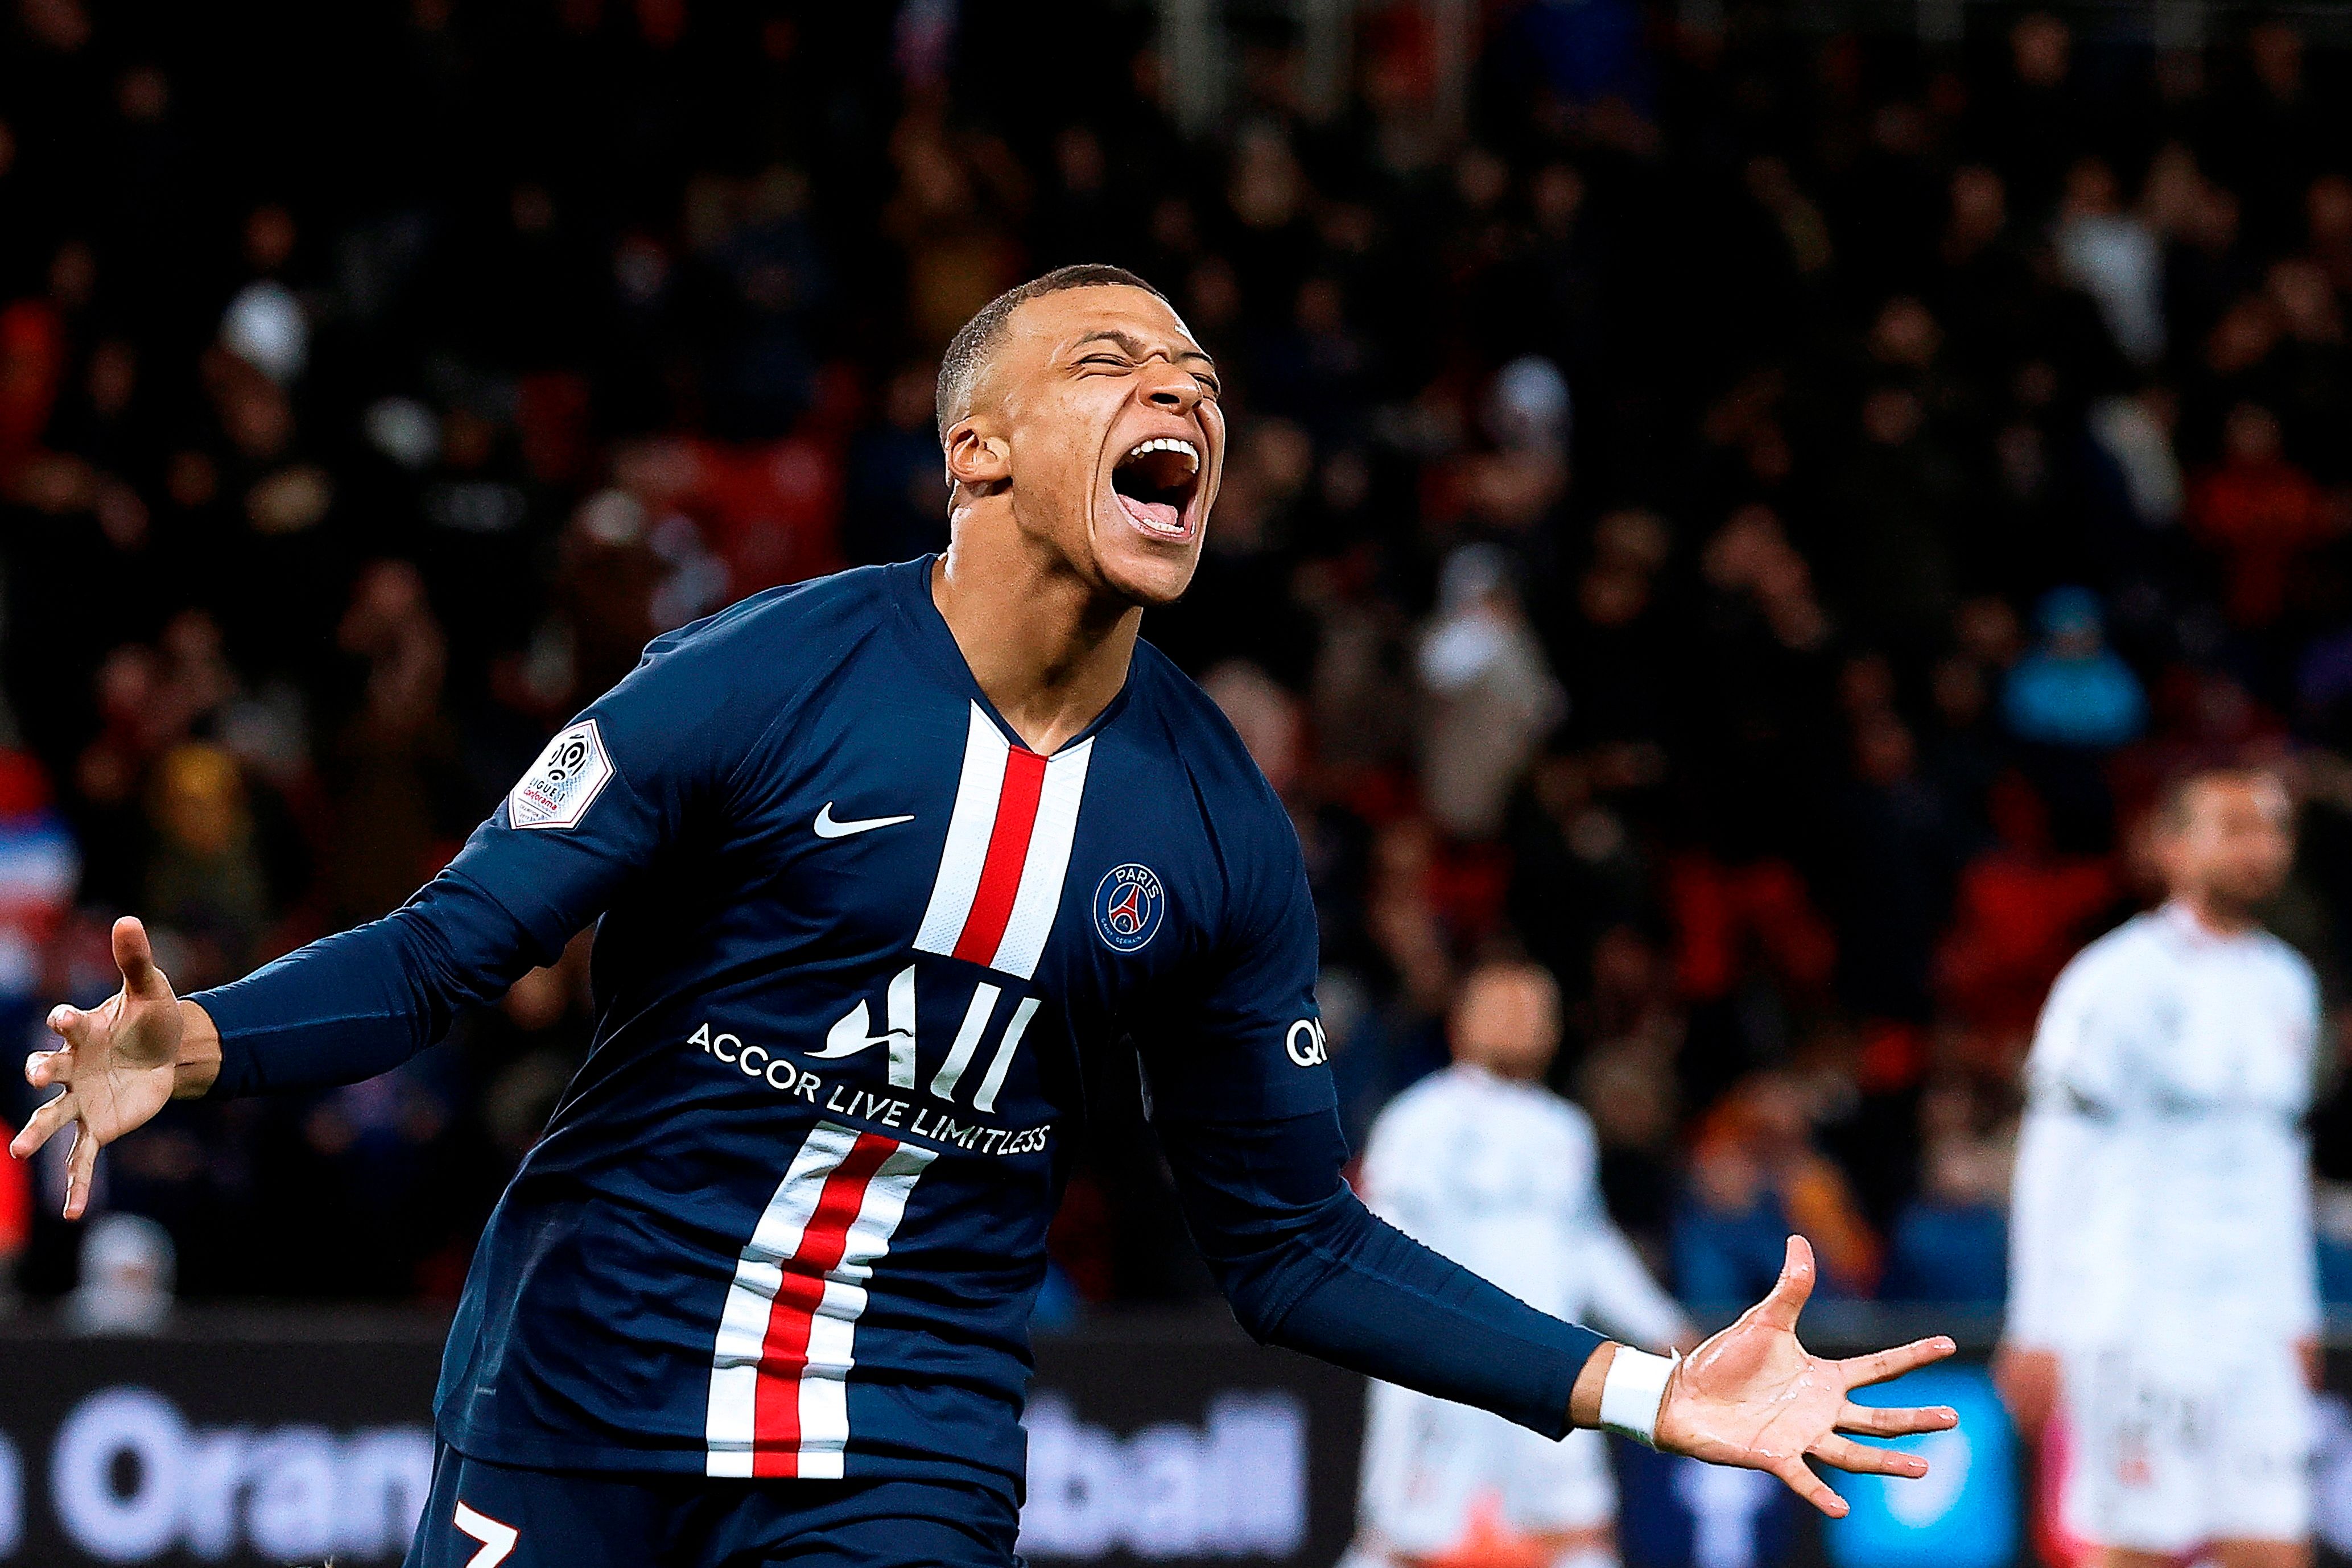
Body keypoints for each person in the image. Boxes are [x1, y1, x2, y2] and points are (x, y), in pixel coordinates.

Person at [12, 266, 1955, 1568]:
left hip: (907, 1439)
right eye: (1114, 364)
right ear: (978, 448)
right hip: (584, 1374)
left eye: (1200, 379)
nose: (1179, 388)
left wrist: (1634, 1383)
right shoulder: (748, 682)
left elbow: (1285, 1240)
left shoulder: (1215, 830)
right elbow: (449, 949)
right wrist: (201, 1040)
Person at [1996, 768, 2320, 1568]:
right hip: (2137, 1318)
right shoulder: (2110, 982)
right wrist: (2035, 1324)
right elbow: (2052, 1156)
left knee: (2275, 1547)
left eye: (2272, 829)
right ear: (2170, 846)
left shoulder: (2289, 985)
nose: (2259, 849)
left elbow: (2280, 1164)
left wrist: (2296, 1313)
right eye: (2234, 827)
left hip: (2249, 1330)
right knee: (2135, 1549)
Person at [1348, 960, 1697, 1568]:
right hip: (1440, 1372)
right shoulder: (1416, 1121)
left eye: (1534, 1004)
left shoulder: (1563, 1127)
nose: (1519, 1016)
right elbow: (1381, 1250)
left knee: (1574, 1536)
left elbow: (1588, 1246)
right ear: (1460, 1023)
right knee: (1403, 1544)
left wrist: (1664, 1327)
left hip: (1551, 1362)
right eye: (1501, 1003)